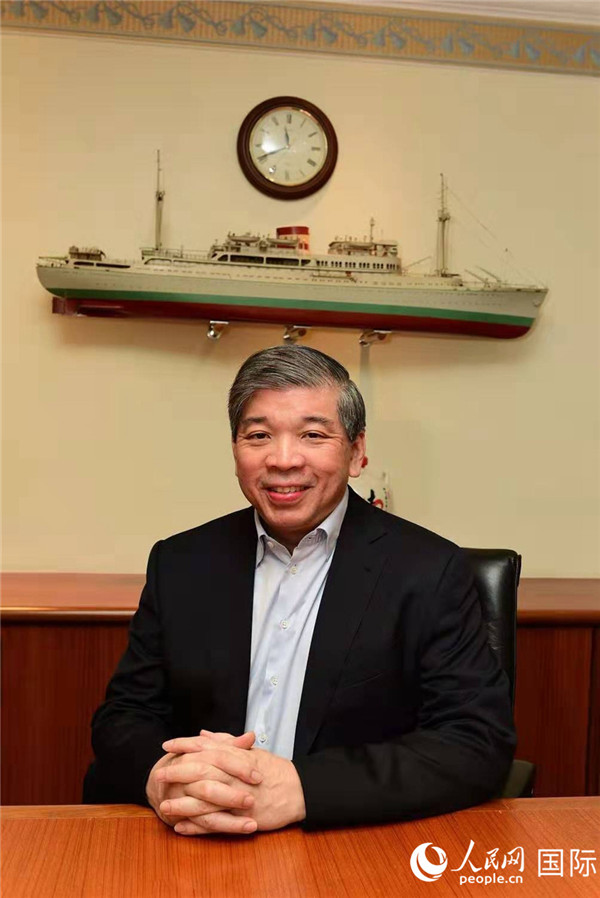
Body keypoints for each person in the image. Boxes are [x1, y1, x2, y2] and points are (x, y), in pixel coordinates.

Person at [84, 345, 515, 835]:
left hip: (349, 842)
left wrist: (302, 789)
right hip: (194, 835)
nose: (283, 460)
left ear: (357, 451)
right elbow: (125, 716)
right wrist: (163, 779)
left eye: (313, 435)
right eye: (259, 435)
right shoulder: (181, 562)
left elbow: (475, 741)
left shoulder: (429, 570)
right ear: (235, 450)